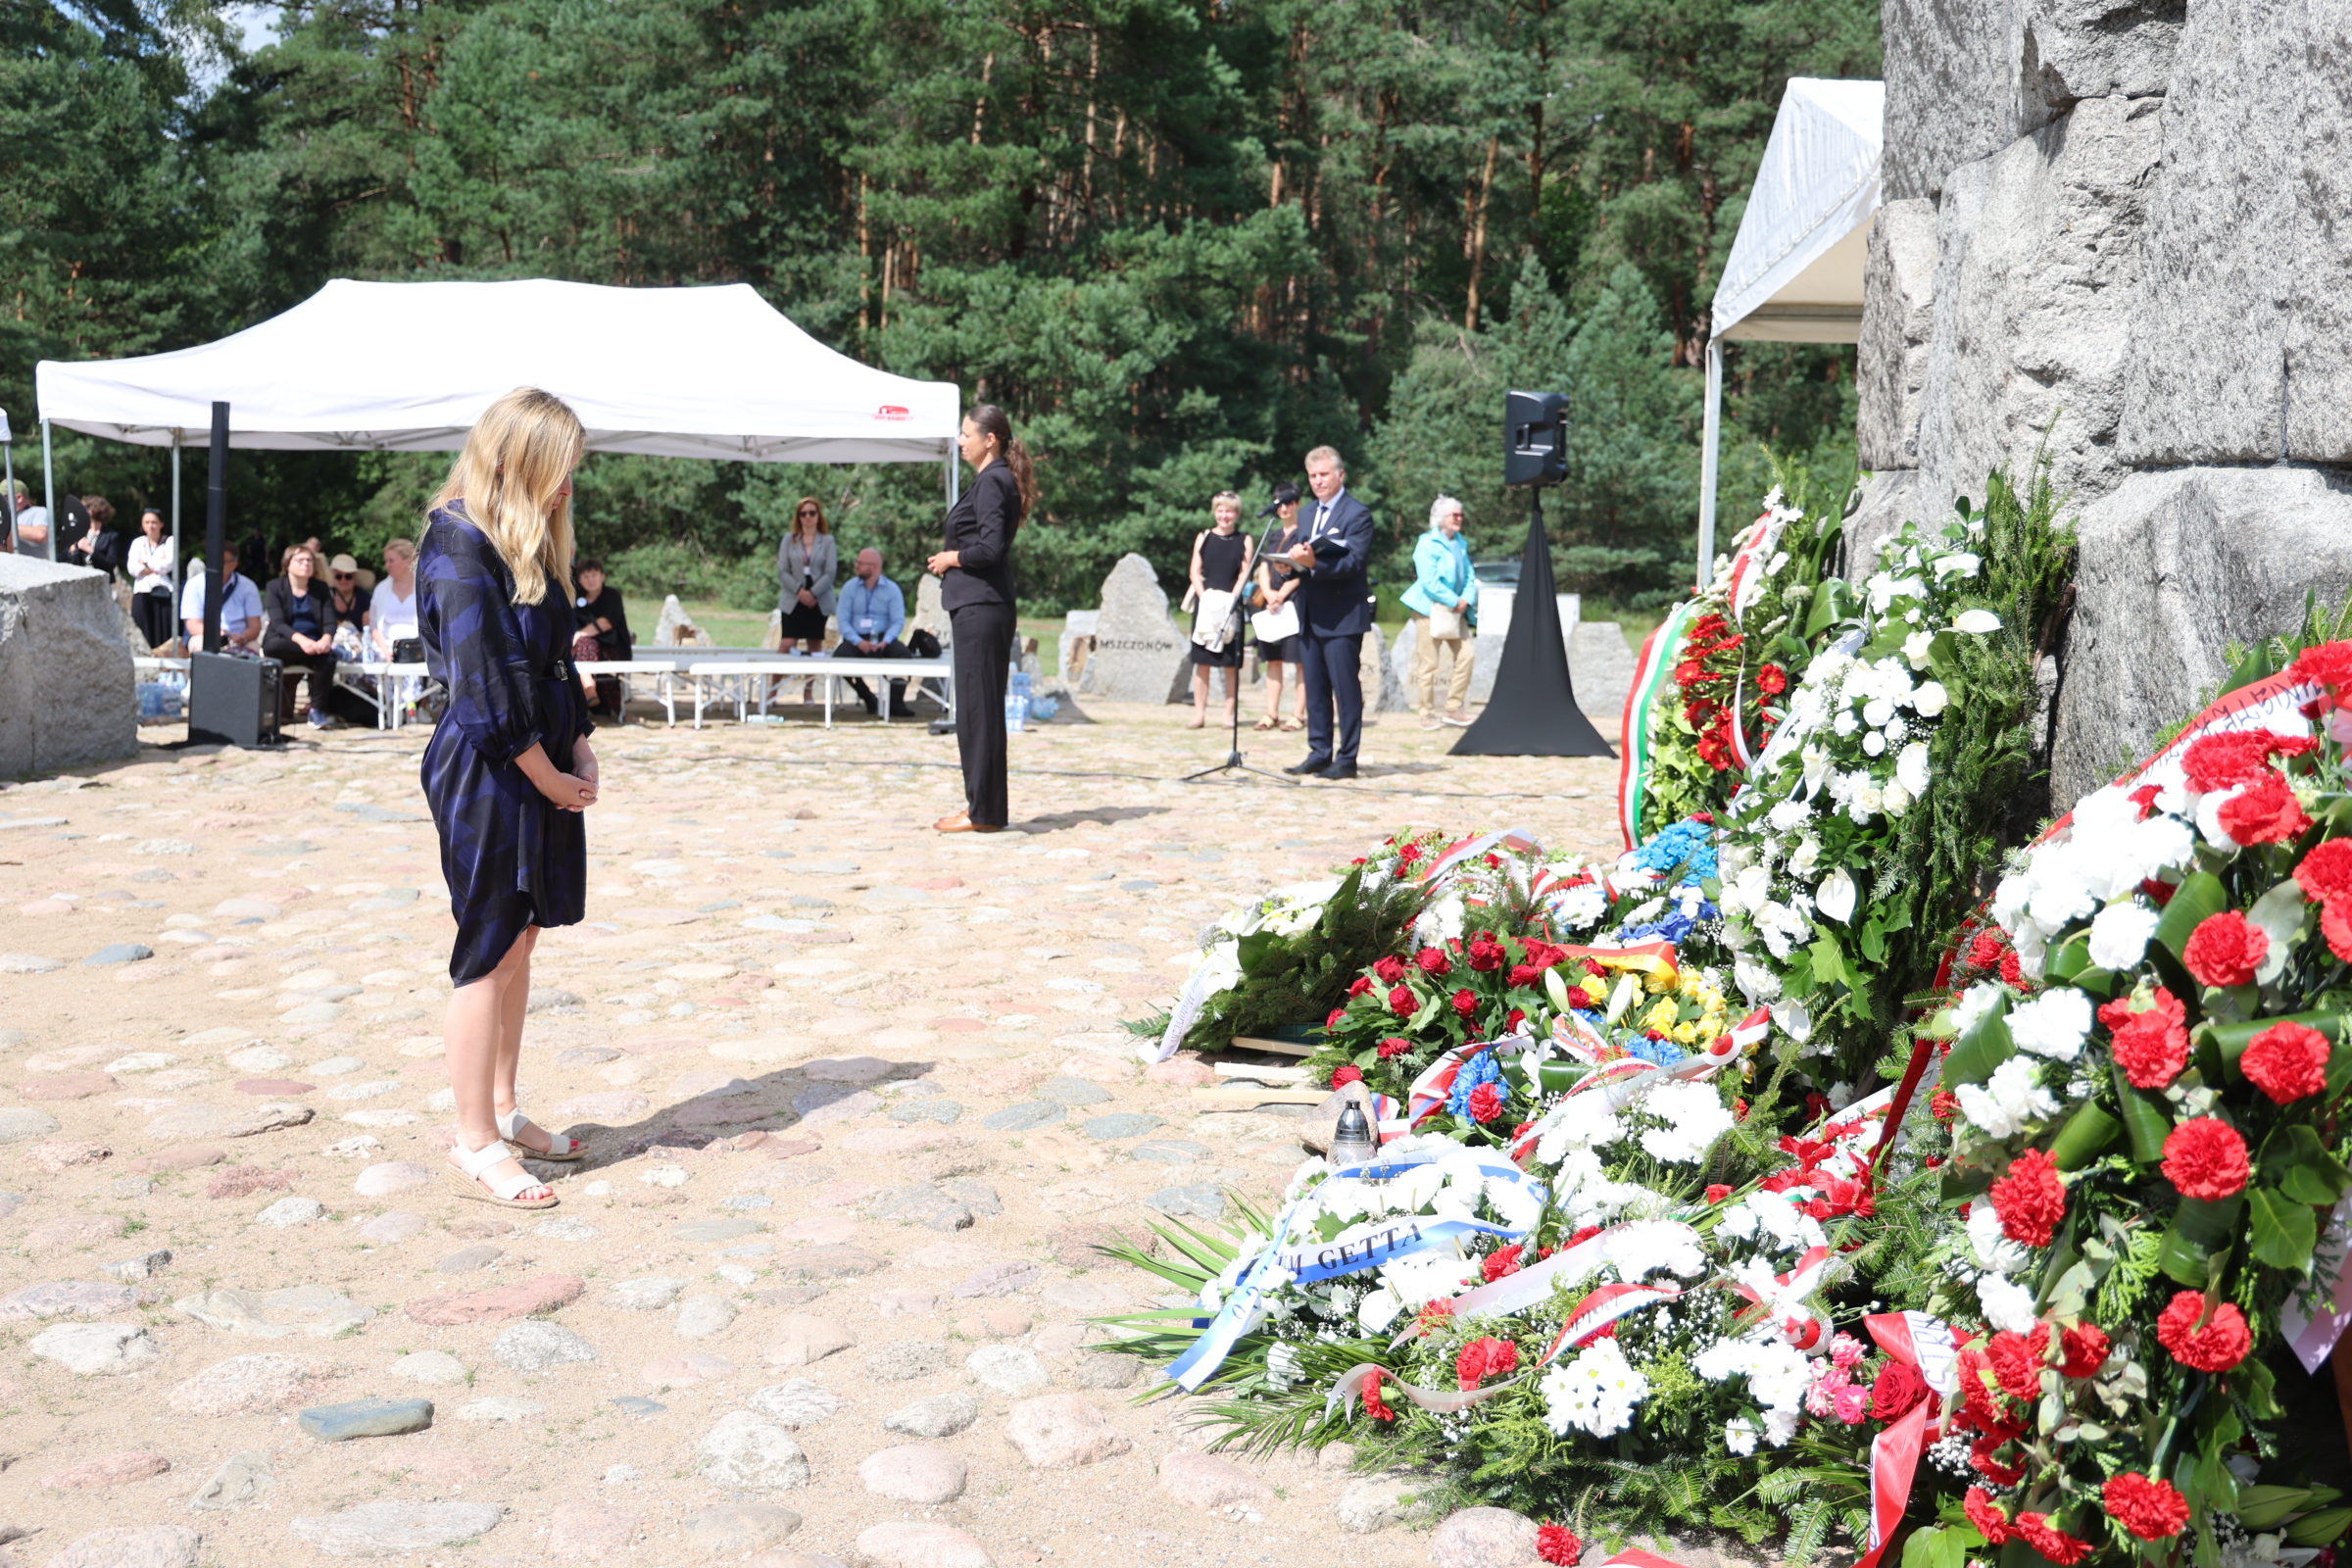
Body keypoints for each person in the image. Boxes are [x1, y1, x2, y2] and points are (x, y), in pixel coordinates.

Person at [418, 385, 599, 1209]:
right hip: (489, 768)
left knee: (523, 937)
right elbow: (483, 686)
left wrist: (580, 738)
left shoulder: (524, 540)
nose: (567, 487)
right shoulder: (457, 542)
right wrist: (549, 774)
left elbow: (553, 658)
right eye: (558, 469)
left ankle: (502, 1107)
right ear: (518, 462)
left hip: (539, 758)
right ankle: (474, 1139)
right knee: (487, 950)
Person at [928, 404, 1031, 832]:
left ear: (990, 439)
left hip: (982, 606)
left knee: (978, 710)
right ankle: (984, 808)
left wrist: (951, 557)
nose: (959, 441)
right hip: (979, 605)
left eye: (966, 434)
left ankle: (982, 812)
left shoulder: (993, 481)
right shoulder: (993, 479)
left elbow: (990, 549)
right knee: (979, 709)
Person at [1282, 445, 1377, 780]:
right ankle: (1319, 753)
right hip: (1310, 612)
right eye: (1312, 476)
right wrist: (1288, 567)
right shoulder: (1307, 513)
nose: (1318, 481)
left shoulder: (1357, 514)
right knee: (1316, 689)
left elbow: (1353, 563)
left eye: (1324, 474)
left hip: (1342, 615)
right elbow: (1303, 557)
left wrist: (1313, 563)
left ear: (1340, 474)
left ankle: (1347, 759)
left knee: (1344, 690)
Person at [1403, 494, 1479, 728]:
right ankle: (1426, 714)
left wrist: (1466, 599)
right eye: (1454, 515)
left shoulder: (1460, 542)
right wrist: (1454, 600)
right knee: (1429, 663)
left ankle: (1453, 709)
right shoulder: (1427, 543)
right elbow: (1429, 581)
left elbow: (1470, 575)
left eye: (1461, 515)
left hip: (1456, 611)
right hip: (1429, 609)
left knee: (1467, 656)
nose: (1459, 519)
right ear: (1440, 518)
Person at [1187, 491, 1255, 730]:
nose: (1224, 515)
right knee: (1202, 662)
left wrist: (1232, 598)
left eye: (1229, 511)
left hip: (1231, 605)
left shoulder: (1244, 539)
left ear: (1237, 514)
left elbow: (1245, 572)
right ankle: (1199, 714)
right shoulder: (1204, 537)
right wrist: (1204, 596)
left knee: (1230, 664)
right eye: (1221, 510)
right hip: (1206, 604)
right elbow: (1194, 571)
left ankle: (1229, 714)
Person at [264, 545, 343, 728]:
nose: (306, 564)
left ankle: (317, 710)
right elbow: (278, 623)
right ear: (287, 564)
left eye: (309, 560)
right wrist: (303, 642)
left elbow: (330, 622)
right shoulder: (275, 587)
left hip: (314, 644)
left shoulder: (321, 588)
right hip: (285, 643)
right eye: (300, 560)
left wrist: (326, 639)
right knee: (273, 646)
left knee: (328, 657)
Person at [1250, 482, 1308, 732]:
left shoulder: (1304, 533)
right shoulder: (1273, 534)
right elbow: (1264, 566)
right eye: (1280, 503)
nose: (1284, 508)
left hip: (1295, 603)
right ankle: (1271, 713)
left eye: (1289, 503)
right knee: (1272, 660)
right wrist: (1268, 593)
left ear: (1297, 504)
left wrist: (1283, 593)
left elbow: (1305, 570)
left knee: (1299, 661)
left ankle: (1298, 714)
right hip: (1272, 605)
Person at [833, 546, 918, 715]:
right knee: (839, 658)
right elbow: (842, 621)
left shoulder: (892, 589)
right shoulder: (849, 588)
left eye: (860, 563)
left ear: (874, 567)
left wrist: (885, 641)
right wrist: (859, 642)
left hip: (883, 638)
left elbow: (898, 621)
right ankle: (869, 698)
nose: (856, 566)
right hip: (856, 638)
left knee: (903, 656)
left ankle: (895, 703)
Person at [775, 497, 837, 701]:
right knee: (787, 642)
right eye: (804, 513)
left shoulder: (827, 541)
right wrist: (800, 591)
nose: (808, 517)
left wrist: (813, 593)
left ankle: (808, 691)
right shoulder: (789, 539)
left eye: (812, 513)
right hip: (794, 596)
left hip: (818, 597)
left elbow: (830, 572)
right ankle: (772, 690)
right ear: (798, 517)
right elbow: (782, 570)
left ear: (818, 516)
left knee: (815, 645)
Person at [567, 558, 632, 716]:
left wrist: (579, 634)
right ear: (579, 580)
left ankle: (589, 689)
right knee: (583, 645)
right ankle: (588, 689)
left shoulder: (612, 595)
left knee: (583, 641)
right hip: (585, 652)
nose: (590, 580)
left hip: (613, 649)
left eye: (594, 575)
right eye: (585, 576)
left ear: (603, 576)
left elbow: (606, 623)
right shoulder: (576, 598)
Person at [180, 544, 265, 650]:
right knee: (202, 645)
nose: (215, 564)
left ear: (234, 564)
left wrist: (243, 637)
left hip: (240, 639)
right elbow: (193, 625)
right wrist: (222, 635)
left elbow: (255, 626)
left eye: (221, 561)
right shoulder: (195, 584)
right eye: (212, 560)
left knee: (255, 649)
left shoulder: (248, 586)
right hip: (206, 636)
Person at [127, 510, 177, 650]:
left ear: (161, 524)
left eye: (154, 522)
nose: (151, 526)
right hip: (142, 591)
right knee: (143, 630)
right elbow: (132, 568)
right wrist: (157, 564)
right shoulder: (138, 543)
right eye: (147, 522)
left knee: (163, 634)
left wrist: (144, 563)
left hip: (163, 592)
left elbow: (169, 564)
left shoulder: (170, 541)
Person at [370, 539, 421, 658]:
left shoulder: (424, 587)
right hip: (385, 651)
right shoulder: (380, 589)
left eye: (391, 561)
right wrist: (385, 651)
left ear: (408, 561)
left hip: (417, 650)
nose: (387, 565)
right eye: (386, 561)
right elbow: (374, 626)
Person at [12, 484, 49, 556]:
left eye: (3, 498)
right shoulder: (9, 517)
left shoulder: (38, 511)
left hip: (35, 562)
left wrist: (6, 526)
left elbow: (41, 535)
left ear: (19, 498)